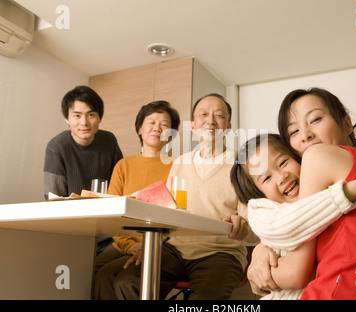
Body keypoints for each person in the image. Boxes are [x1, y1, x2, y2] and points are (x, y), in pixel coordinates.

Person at [247, 87, 356, 299]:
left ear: (346, 124)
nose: (305, 134)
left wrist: (257, 275)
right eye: (294, 132)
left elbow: (295, 273)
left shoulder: (317, 156)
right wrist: (262, 249)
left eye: (315, 119)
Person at [113, 93, 259, 300]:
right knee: (127, 282)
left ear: (228, 127)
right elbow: (168, 214)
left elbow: (253, 230)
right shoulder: (180, 163)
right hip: (174, 250)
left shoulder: (242, 164)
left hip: (220, 252)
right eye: (203, 114)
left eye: (218, 115)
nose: (210, 120)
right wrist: (149, 248)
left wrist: (243, 225)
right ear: (192, 126)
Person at [231, 133, 356, 299]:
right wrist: (353, 190)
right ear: (258, 194)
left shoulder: (318, 187)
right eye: (267, 178)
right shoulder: (260, 210)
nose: (282, 177)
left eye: (283, 162)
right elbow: (293, 223)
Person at [93, 100, 180, 300]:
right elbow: (111, 211)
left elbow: (178, 215)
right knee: (91, 270)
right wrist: (129, 245)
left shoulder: (178, 166)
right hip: (124, 242)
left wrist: (150, 246)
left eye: (165, 124)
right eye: (151, 122)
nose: (157, 128)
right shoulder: (123, 165)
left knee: (116, 277)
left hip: (161, 244)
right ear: (140, 128)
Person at [43, 85, 123, 254]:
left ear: (99, 117)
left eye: (91, 114)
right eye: (77, 115)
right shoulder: (57, 147)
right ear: (67, 118)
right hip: (73, 231)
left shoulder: (109, 141)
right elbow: (53, 200)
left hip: (109, 232)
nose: (84, 122)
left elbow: (121, 184)